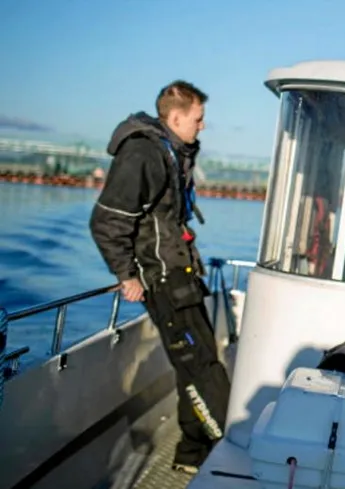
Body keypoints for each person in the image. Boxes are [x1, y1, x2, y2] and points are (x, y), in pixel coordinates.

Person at [89, 80, 230, 474]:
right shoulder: (144, 154)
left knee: (199, 364)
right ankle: (231, 454)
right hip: (163, 279)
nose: (202, 126)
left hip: (181, 272)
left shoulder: (171, 152)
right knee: (202, 367)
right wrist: (126, 274)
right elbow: (106, 222)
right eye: (198, 119)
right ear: (175, 117)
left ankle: (191, 452)